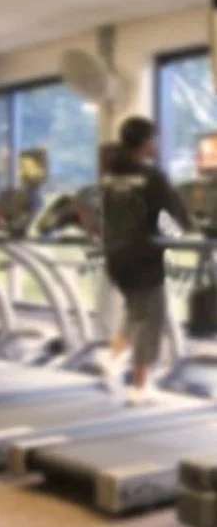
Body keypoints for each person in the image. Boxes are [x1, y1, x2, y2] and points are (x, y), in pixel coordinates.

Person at [100, 116, 189, 400]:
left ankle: (113, 355)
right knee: (150, 317)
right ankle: (140, 385)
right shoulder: (151, 176)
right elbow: (168, 215)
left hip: (116, 256)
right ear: (146, 142)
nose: (157, 143)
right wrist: (181, 237)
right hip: (143, 257)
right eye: (154, 138)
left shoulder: (111, 174)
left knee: (135, 310)